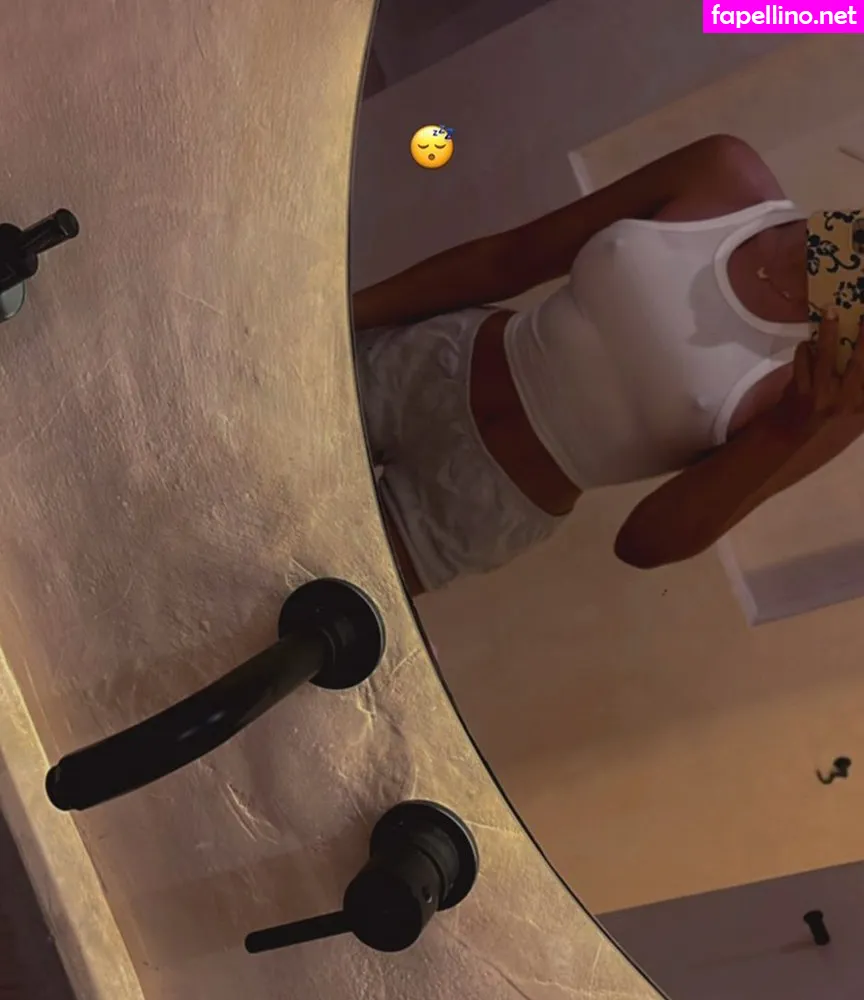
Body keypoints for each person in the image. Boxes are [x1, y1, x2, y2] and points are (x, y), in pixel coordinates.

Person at [352, 134, 864, 597]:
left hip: (473, 507)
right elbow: (511, 258)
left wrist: (791, 426)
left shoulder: (839, 395)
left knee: (313, 587)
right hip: (422, 364)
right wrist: (334, 313)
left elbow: (644, 543)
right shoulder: (724, 174)